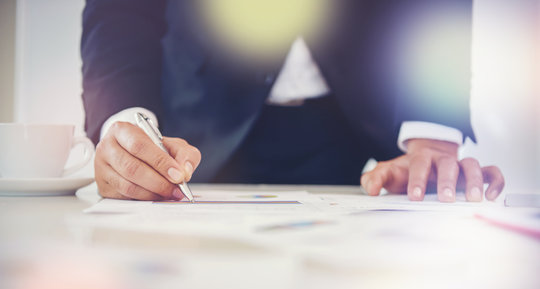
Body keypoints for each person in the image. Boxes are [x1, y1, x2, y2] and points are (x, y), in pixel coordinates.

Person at [81, 0, 504, 202]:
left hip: (365, 130)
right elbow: (120, 10)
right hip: (189, 135)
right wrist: (127, 120)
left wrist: (431, 130)